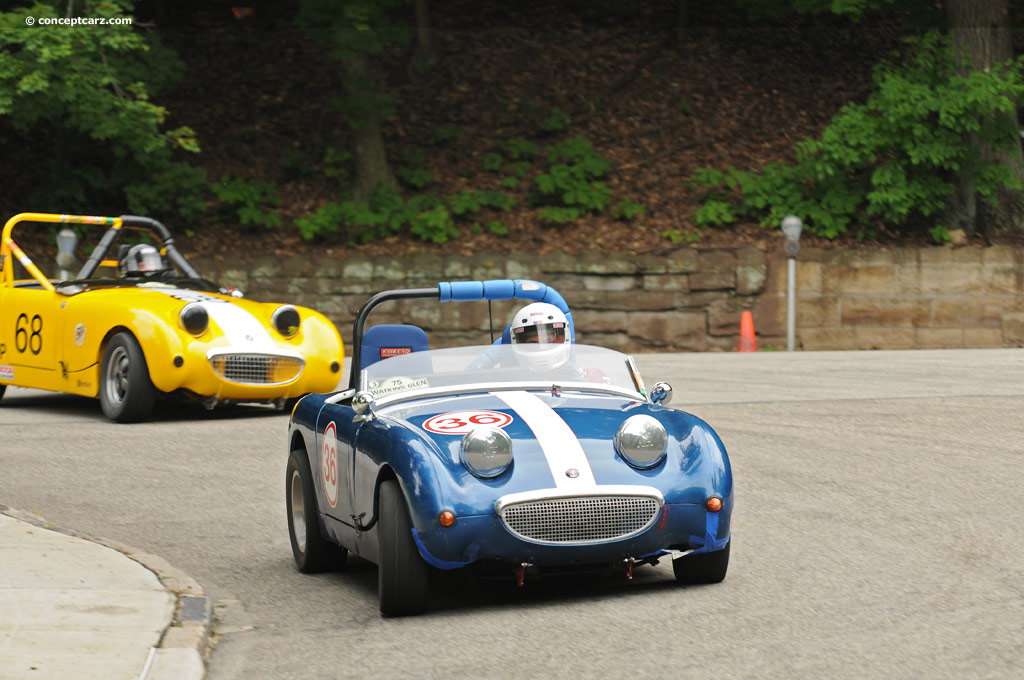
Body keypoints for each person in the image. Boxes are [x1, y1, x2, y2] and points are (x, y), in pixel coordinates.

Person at [508, 302, 572, 371]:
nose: (541, 347)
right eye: (533, 344)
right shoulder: (511, 374)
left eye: (547, 342)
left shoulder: (572, 374)